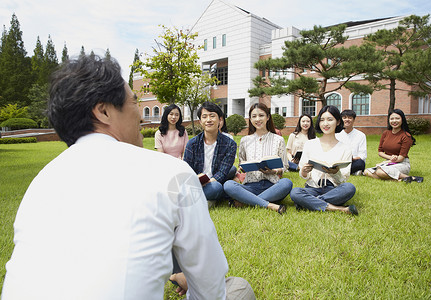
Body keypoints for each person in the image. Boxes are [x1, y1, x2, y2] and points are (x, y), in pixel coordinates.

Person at [2, 55, 254, 300]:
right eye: (133, 103)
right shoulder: (169, 172)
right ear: (103, 111)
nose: (142, 115)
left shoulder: (40, 183)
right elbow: (210, 289)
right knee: (238, 288)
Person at [223, 103, 293, 214]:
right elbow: (242, 164)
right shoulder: (245, 140)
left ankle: (246, 201)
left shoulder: (278, 140)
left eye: (261, 115)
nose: (258, 119)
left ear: (268, 117)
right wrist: (243, 167)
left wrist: (274, 171)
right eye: (254, 116)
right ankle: (269, 204)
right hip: (250, 186)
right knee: (228, 185)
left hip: (272, 186)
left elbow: (284, 166)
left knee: (287, 183)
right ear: (250, 119)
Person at [290, 105, 358, 215]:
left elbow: (344, 179)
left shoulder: (345, 148)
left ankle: (307, 202)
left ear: (338, 122)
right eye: (322, 120)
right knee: (295, 192)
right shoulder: (310, 144)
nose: (325, 124)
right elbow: (302, 174)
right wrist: (304, 171)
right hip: (312, 188)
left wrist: (336, 173)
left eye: (330, 120)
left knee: (349, 188)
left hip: (333, 189)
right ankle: (339, 209)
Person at [183, 101, 237, 207]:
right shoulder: (192, 143)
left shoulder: (230, 144)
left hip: (214, 182)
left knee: (216, 187)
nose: (208, 120)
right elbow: (187, 168)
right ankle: (204, 200)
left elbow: (222, 172)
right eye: (204, 117)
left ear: (220, 120)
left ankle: (191, 200)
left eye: (212, 116)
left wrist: (208, 182)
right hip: (196, 183)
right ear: (200, 121)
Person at [364, 108, 421, 183]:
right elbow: (380, 152)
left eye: (397, 118)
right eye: (392, 119)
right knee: (366, 171)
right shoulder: (386, 133)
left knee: (380, 172)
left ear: (402, 120)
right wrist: (390, 158)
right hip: (389, 163)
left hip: (402, 164)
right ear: (389, 120)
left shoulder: (406, 136)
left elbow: (400, 158)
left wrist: (384, 163)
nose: (394, 121)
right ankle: (400, 180)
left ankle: (410, 177)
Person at [336, 109, 367, 175]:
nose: (347, 120)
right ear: (341, 120)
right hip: (340, 161)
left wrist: (352, 158)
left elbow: (363, 155)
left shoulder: (361, 135)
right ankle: (353, 172)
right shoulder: (336, 134)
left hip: (354, 161)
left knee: (360, 163)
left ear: (354, 120)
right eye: (344, 118)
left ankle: (341, 172)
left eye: (350, 118)